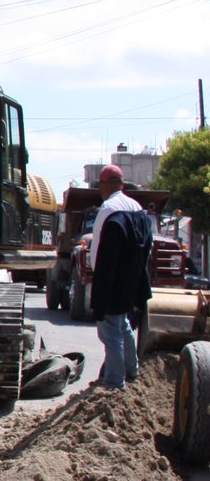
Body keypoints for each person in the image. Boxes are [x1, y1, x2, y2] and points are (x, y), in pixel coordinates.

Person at [88, 164, 152, 390]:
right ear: (122, 184)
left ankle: (115, 382)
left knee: (109, 331)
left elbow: (100, 251)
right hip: (131, 280)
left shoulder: (108, 209)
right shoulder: (137, 208)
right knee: (123, 324)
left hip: (111, 280)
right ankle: (132, 370)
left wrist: (99, 284)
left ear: (104, 185)